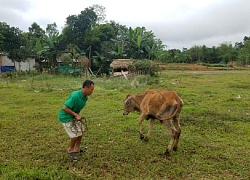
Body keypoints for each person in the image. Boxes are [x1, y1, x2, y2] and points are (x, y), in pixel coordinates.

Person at [58, 80, 94, 161]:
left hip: (73, 117)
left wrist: (76, 116)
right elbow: (65, 108)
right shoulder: (75, 95)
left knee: (80, 131)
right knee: (74, 135)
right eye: (91, 89)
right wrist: (76, 115)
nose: (92, 91)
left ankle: (77, 148)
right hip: (65, 117)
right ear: (85, 88)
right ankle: (70, 149)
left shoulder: (85, 97)